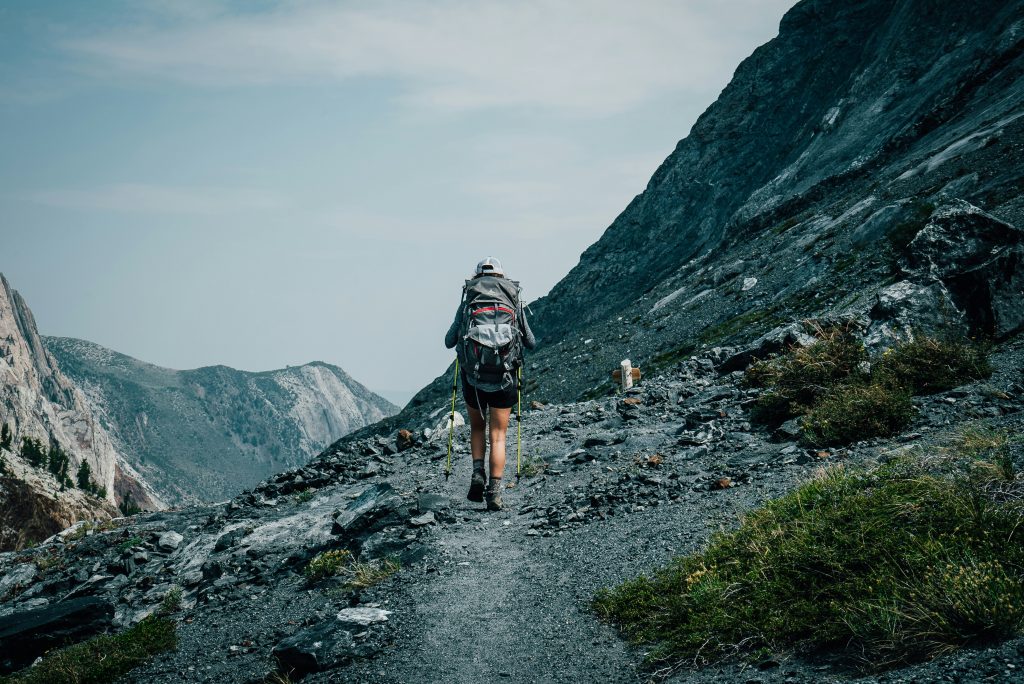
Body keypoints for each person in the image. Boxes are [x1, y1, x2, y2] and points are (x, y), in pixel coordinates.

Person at [444, 257, 536, 511]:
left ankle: (477, 473)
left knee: (477, 427)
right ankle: (494, 491)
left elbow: (449, 341)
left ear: (477, 277)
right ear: (502, 277)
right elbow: (530, 342)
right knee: (498, 436)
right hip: (504, 378)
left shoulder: (469, 300)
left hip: (473, 378)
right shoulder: (513, 299)